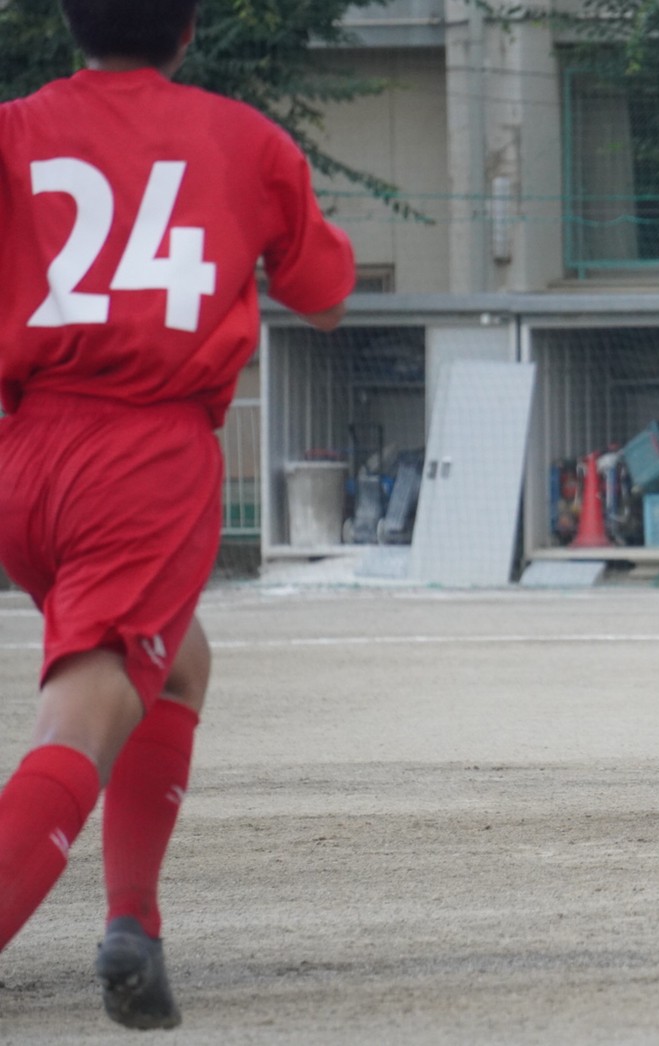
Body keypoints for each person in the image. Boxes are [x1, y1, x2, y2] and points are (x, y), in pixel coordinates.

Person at [0, 0, 355, 1028]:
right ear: (190, 32)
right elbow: (324, 291)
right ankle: (113, 918)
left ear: (72, 26)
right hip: (144, 457)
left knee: (179, 662)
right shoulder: (243, 140)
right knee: (89, 704)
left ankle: (134, 925)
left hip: (26, 457)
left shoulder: (17, 128)